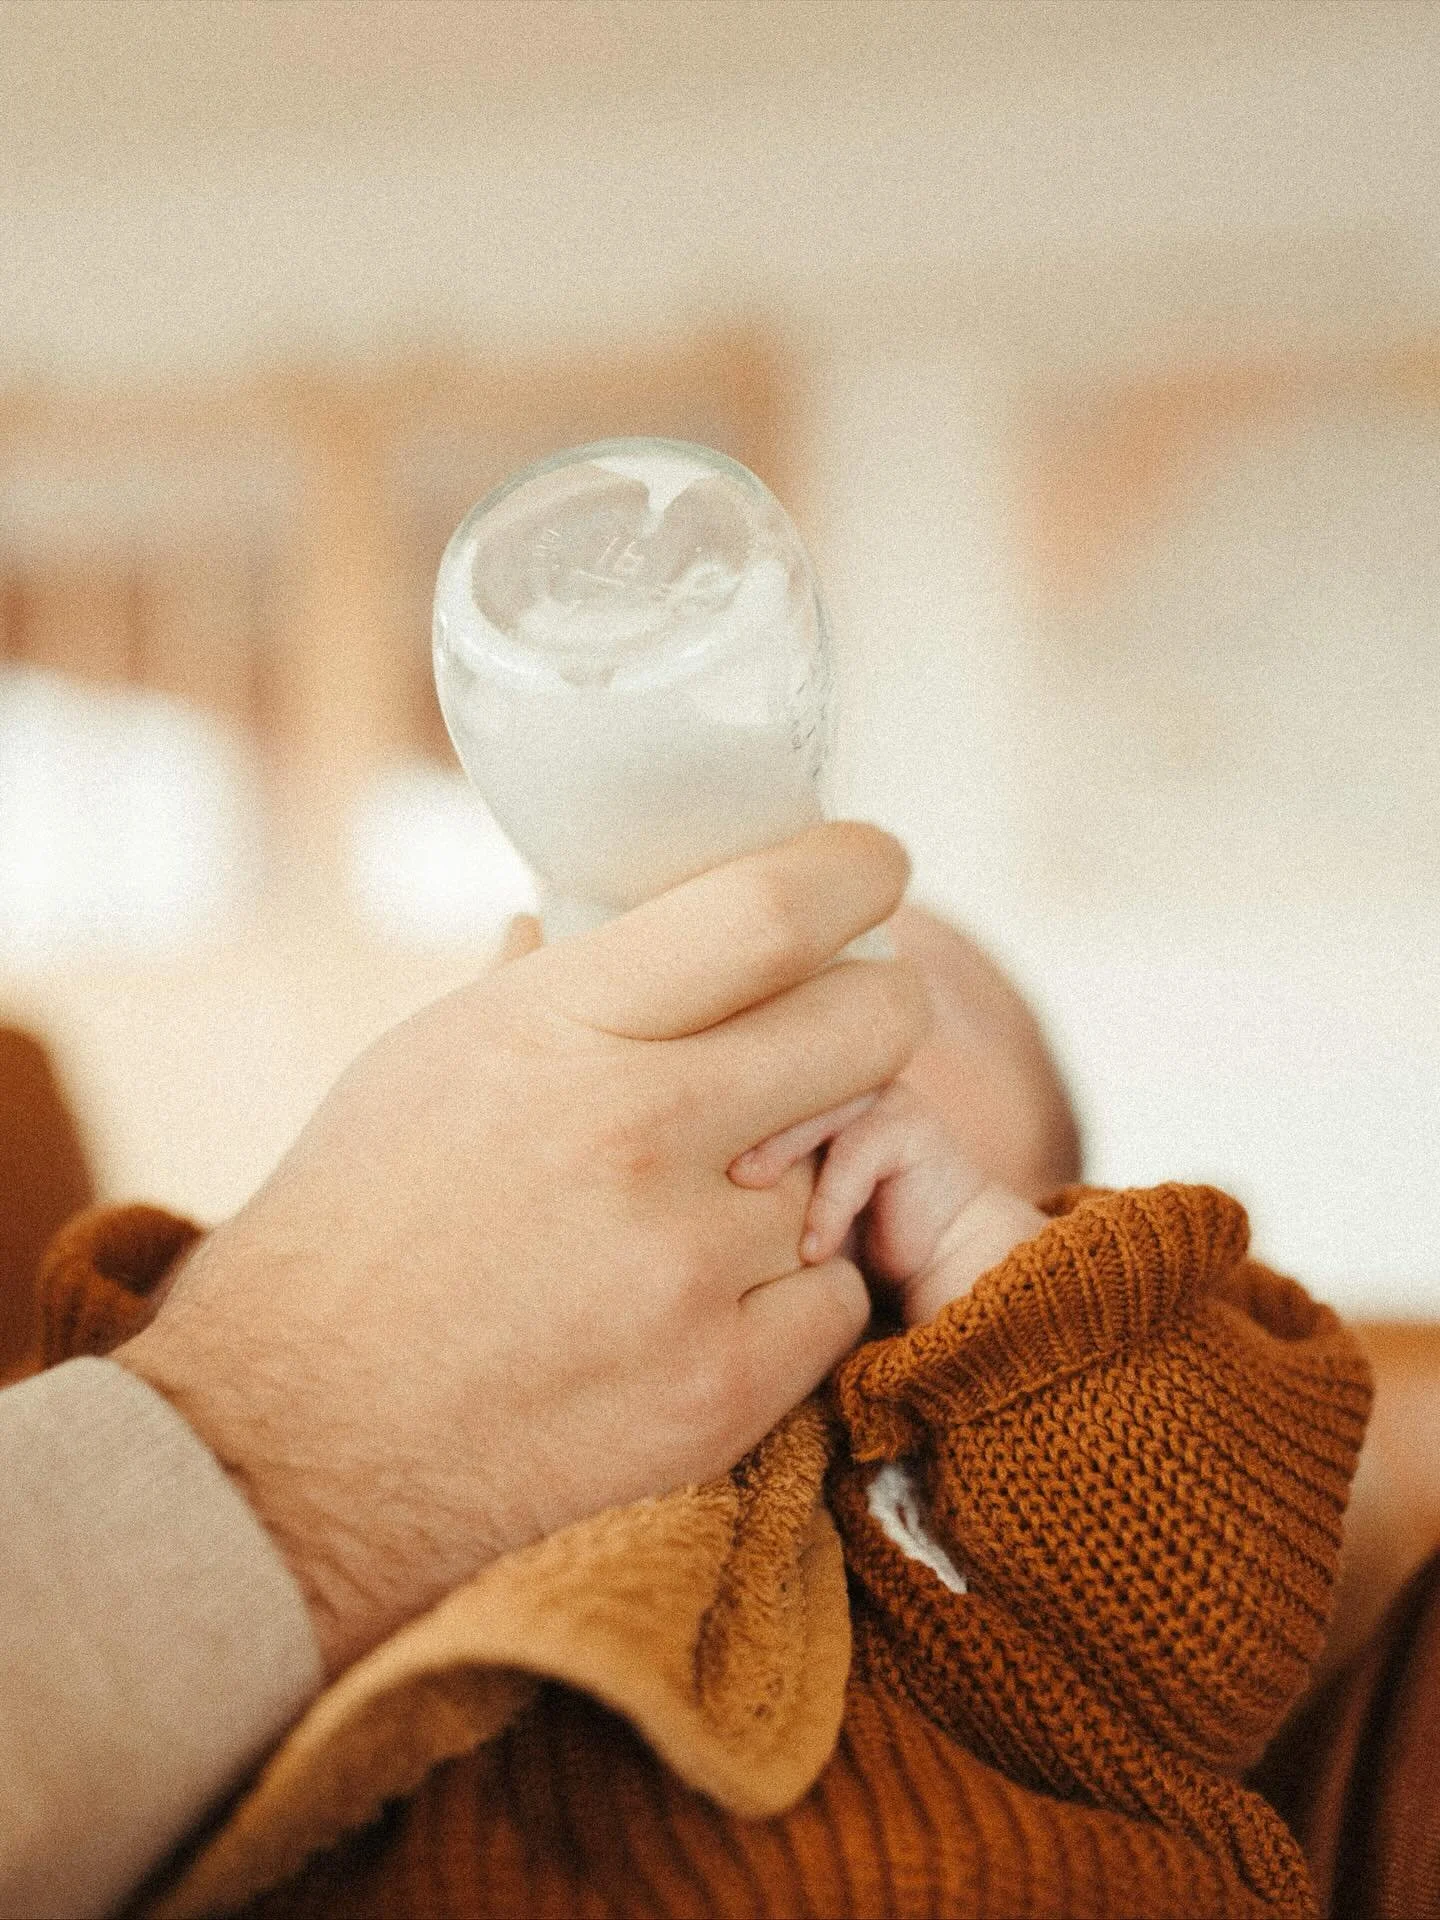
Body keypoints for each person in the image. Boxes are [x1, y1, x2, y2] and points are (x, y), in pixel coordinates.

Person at [0, 823, 1385, 1918]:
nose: (771, 1015)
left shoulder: (1034, 1379)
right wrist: (259, 1270)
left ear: (1048, 1189)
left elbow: (1218, 1636)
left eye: (879, 983)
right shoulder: (441, 1352)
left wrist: (994, 1271)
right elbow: (122, 1430)